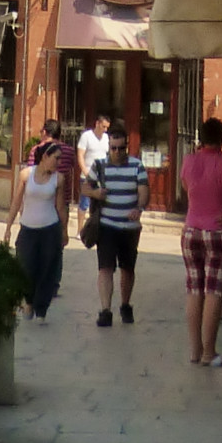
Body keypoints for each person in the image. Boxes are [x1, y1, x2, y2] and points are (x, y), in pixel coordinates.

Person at [178, 115, 222, 367]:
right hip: (218, 232)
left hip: (191, 229)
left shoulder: (189, 161)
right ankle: (210, 352)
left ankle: (195, 351)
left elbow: (185, 186)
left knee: (194, 289)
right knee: (214, 290)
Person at [85, 120, 147, 327]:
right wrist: (95, 192)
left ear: (127, 147)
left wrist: (139, 208)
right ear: (108, 146)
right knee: (105, 268)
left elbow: (144, 191)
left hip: (129, 228)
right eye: (114, 148)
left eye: (122, 148)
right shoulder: (100, 165)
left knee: (127, 269)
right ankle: (105, 310)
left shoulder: (137, 165)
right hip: (107, 225)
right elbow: (85, 188)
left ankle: (125, 304)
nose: (118, 152)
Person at [3, 138, 69, 320]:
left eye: (60, 159)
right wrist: (8, 227)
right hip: (28, 229)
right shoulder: (26, 174)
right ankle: (28, 301)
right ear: (45, 156)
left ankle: (41, 307)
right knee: (26, 266)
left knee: (47, 268)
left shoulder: (59, 179)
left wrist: (64, 230)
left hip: (50, 229)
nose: (58, 163)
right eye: (56, 158)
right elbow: (16, 201)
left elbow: (60, 206)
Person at [76, 110, 112, 189]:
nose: (105, 129)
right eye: (104, 126)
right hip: (88, 175)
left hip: (102, 177)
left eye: (107, 127)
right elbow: (80, 155)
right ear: (97, 124)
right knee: (86, 201)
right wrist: (86, 172)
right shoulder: (86, 136)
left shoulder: (106, 138)